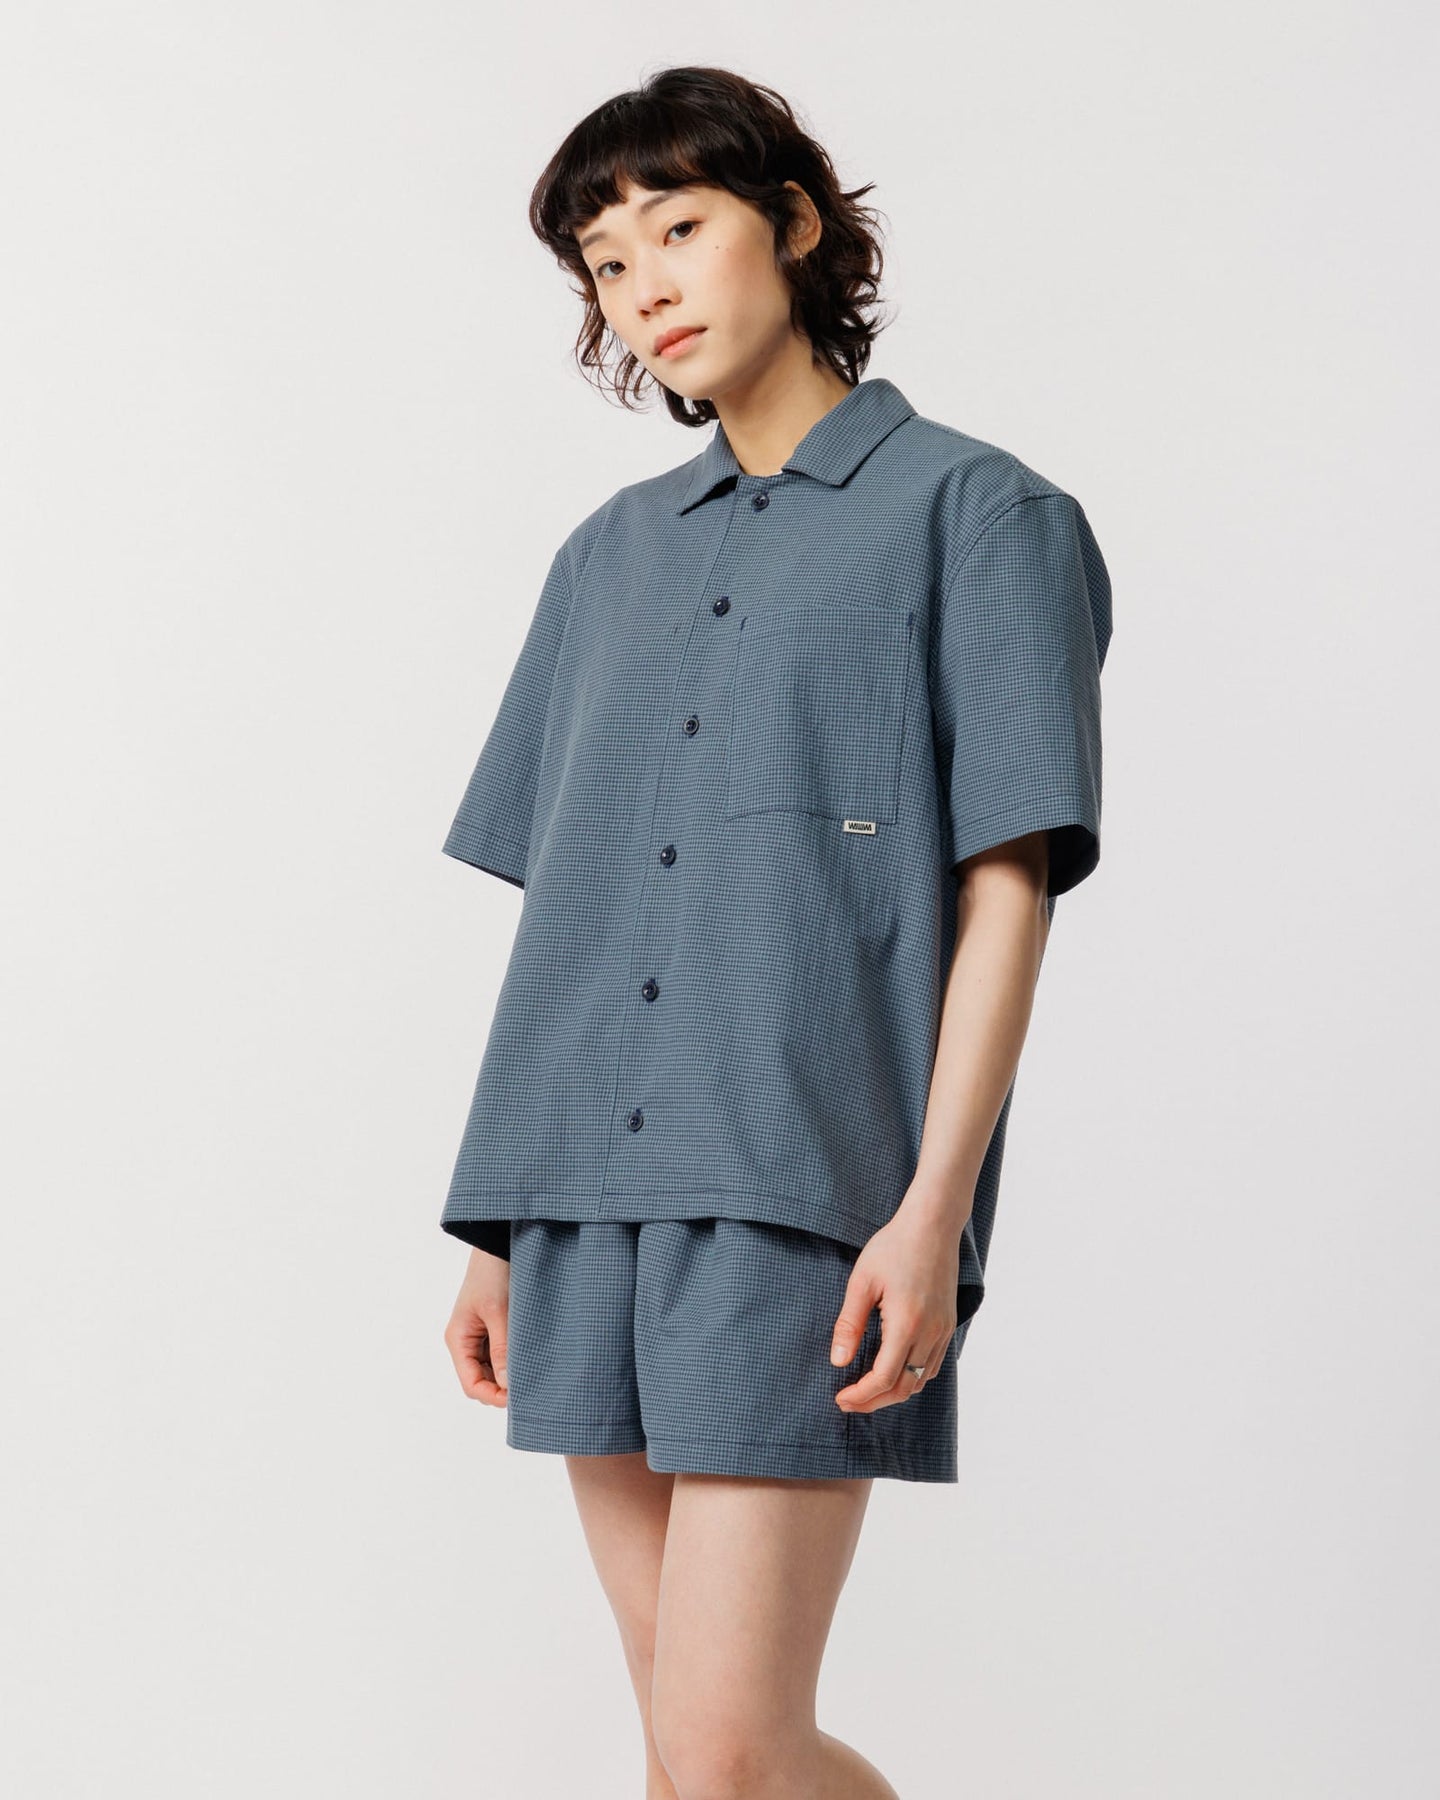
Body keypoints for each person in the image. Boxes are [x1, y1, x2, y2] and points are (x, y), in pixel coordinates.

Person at [439, 65, 1113, 1800]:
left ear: (796, 225)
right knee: (682, 1756)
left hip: (804, 1190)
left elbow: (1005, 887)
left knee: (730, 1749)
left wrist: (936, 1209)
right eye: (605, 264)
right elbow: (572, 913)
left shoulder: (981, 517)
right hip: (580, 1191)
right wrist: (501, 1229)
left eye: (679, 229)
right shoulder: (605, 561)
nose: (643, 287)